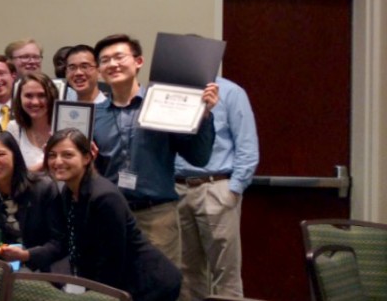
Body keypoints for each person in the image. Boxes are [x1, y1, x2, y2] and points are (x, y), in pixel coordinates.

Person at [92, 34, 217, 267]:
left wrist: (204, 116)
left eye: (119, 57)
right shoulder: (95, 116)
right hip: (111, 216)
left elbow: (199, 158)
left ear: (138, 61)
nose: (112, 64)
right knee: (112, 287)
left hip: (157, 215)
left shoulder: (162, 105)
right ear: (99, 70)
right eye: (105, 60)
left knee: (159, 286)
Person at [47, 129, 182, 301]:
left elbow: (113, 258)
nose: (58, 161)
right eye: (52, 155)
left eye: (67, 155)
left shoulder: (104, 197)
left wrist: (94, 296)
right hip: (120, 282)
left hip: (150, 282)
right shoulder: (68, 191)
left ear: (87, 158)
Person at [174, 77, 259, 299]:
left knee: (225, 273)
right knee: (185, 273)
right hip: (177, 189)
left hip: (216, 187)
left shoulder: (231, 92)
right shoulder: (170, 90)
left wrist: (234, 189)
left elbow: (247, 145)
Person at [0, 130, 63, 272]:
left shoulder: (43, 188)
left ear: (15, 156)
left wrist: (27, 255)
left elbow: (59, 242)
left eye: (1, 154)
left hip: (38, 268)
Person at [6, 73, 59, 173]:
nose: (35, 102)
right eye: (28, 96)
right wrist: (44, 163)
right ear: (19, 99)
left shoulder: (64, 127)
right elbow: (12, 175)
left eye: (42, 95)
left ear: (52, 97)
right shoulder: (14, 128)